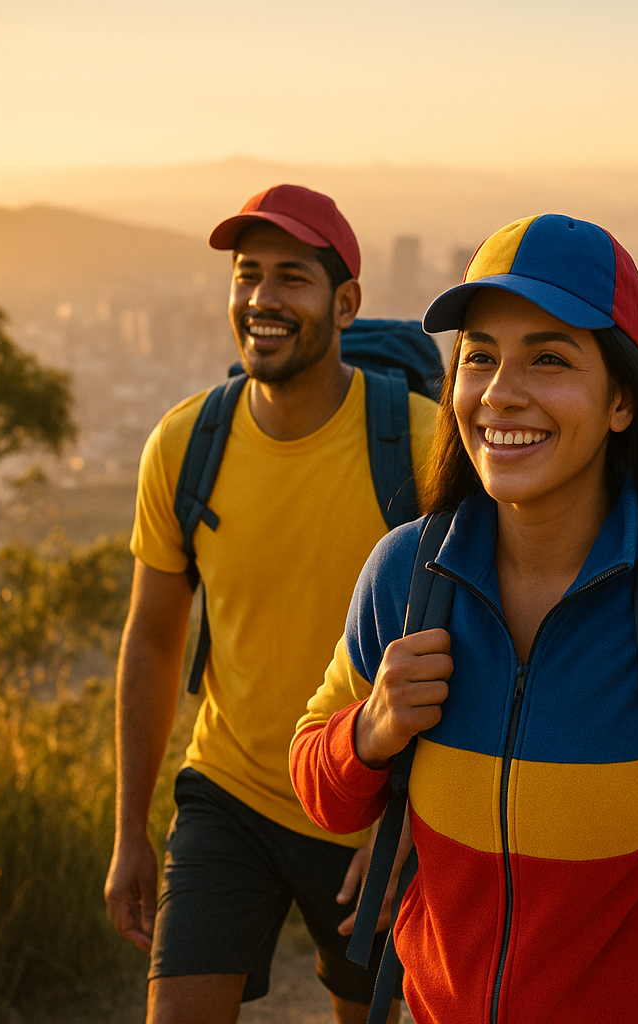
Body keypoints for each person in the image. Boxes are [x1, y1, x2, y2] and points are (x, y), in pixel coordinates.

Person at [290, 213, 638, 1024]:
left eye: (548, 358)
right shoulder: (408, 576)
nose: (500, 391)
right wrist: (370, 729)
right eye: (479, 357)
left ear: (622, 400)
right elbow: (322, 792)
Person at [104, 184, 437, 1024]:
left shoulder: (424, 445)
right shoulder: (185, 446)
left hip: (364, 800)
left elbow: (472, 642)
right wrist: (129, 829)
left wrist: (408, 823)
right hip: (230, 794)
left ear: (346, 302)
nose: (261, 299)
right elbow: (151, 641)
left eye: (292, 277)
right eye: (247, 275)